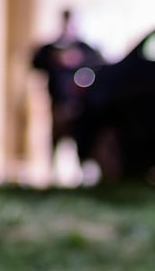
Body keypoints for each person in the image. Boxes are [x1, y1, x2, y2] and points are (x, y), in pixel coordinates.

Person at [30, 9, 102, 166]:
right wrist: (55, 59)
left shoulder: (85, 49)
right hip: (58, 101)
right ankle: (51, 171)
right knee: (56, 137)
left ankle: (83, 170)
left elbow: (99, 64)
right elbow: (35, 62)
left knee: (80, 137)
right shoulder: (52, 49)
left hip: (79, 102)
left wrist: (79, 59)